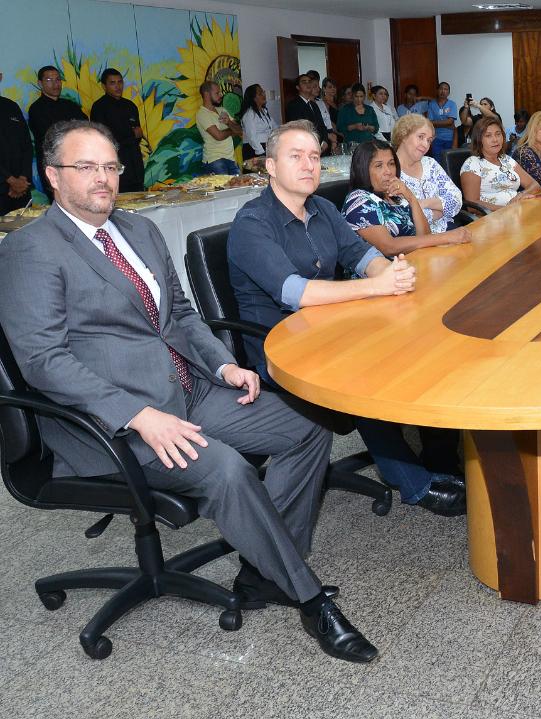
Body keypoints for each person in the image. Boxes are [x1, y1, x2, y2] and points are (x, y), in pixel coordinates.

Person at [0, 119, 379, 663]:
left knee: (307, 425)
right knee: (228, 469)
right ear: (53, 176)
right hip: (111, 424)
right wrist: (137, 414)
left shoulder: (139, 231)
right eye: (86, 168)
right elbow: (43, 361)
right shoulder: (29, 250)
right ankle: (310, 599)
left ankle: (265, 571)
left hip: (188, 390)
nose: (102, 179)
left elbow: (178, 315)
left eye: (110, 166)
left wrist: (224, 367)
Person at [228, 121, 466, 518]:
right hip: (279, 348)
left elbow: (361, 255)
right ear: (270, 166)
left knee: (417, 347)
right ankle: (414, 483)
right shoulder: (252, 223)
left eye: (314, 157)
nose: (308, 165)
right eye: (295, 157)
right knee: (362, 371)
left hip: (329, 327)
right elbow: (296, 293)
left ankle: (436, 455)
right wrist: (377, 287)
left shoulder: (321, 208)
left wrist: (388, 274)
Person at [344, 139, 470, 257]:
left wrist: (411, 198)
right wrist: (447, 237)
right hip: (383, 275)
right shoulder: (358, 200)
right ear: (362, 169)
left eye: (391, 164)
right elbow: (389, 247)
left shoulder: (395, 197)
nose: (388, 171)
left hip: (416, 263)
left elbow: (425, 236)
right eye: (379, 166)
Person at [392, 113, 462, 233]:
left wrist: (422, 203)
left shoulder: (430, 164)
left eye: (429, 141)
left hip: (446, 230)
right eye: (420, 137)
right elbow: (403, 219)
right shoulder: (390, 170)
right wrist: (439, 211)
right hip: (413, 242)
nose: (426, 145)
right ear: (403, 136)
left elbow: (456, 200)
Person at [28, 65, 86, 199]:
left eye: (58, 79)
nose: (56, 84)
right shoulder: (36, 109)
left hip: (78, 162)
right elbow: (51, 136)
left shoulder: (69, 105)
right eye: (49, 80)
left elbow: (86, 127)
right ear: (40, 83)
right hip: (54, 165)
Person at [460, 117, 541, 209]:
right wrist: (507, 209)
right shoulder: (472, 164)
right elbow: (472, 205)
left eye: (498, 134)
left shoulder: (506, 160)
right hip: (492, 218)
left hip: (517, 211)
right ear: (479, 140)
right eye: (488, 135)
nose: (495, 139)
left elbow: (535, 185)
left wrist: (521, 195)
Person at [89, 68, 144, 192]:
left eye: (120, 82)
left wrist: (130, 135)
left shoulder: (130, 105)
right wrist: (130, 134)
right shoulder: (99, 107)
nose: (117, 86)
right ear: (104, 86)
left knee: (140, 198)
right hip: (115, 163)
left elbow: (138, 134)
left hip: (135, 161)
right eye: (112, 83)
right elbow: (104, 139)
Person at [0, 71, 35, 214]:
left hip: (21, 188)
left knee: (28, 233)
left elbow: (26, 145)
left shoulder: (11, 106)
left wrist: (22, 178)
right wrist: (10, 180)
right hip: (5, 186)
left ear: (1, 77)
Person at [196, 81, 241, 175]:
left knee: (239, 188)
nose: (220, 95)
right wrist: (231, 129)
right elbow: (219, 136)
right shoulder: (202, 114)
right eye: (217, 93)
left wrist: (228, 122)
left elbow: (239, 131)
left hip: (231, 159)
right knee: (224, 189)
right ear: (206, 94)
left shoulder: (222, 110)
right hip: (215, 160)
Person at [285, 74, 331, 153]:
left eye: (309, 82)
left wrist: (324, 141)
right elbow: (299, 128)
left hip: (320, 146)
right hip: (305, 147)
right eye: (304, 82)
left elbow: (321, 125)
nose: (308, 84)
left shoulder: (314, 104)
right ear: (298, 87)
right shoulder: (293, 105)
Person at [239, 83, 277, 160]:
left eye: (263, 92)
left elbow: (275, 127)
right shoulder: (249, 114)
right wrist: (261, 153)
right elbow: (251, 136)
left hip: (265, 147)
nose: (264, 94)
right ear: (253, 98)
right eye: (260, 93)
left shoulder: (264, 112)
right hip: (254, 149)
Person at [425, 81, 458, 160]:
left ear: (449, 92)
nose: (443, 91)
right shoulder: (432, 104)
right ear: (437, 90)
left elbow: (450, 121)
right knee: (437, 161)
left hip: (449, 138)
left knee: (449, 162)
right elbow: (429, 123)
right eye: (441, 89)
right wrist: (447, 123)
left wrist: (448, 123)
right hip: (436, 138)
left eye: (446, 89)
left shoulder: (452, 104)